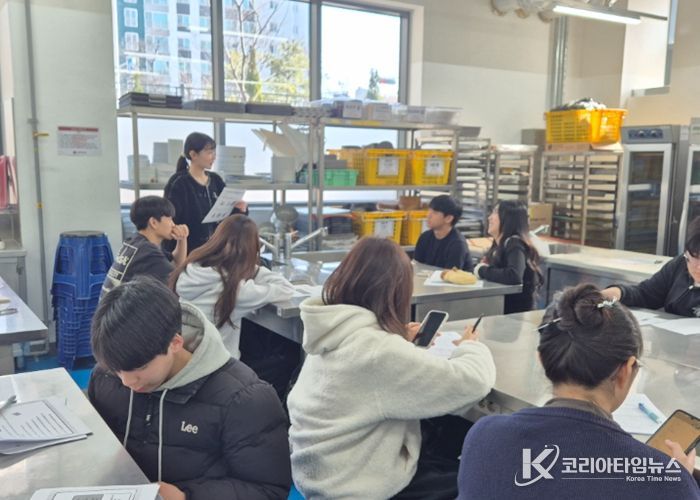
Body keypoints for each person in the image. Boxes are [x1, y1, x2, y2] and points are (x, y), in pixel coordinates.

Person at [287, 237, 496, 500]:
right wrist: (470, 346)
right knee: (478, 477)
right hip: (355, 486)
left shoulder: (332, 329)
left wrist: (396, 338)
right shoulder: (379, 350)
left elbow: (367, 372)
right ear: (395, 292)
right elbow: (472, 381)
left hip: (317, 472)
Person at [457, 284, 700, 500]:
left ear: (541, 360)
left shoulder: (484, 436)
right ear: (626, 370)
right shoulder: (665, 482)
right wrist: (676, 478)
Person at [88, 277, 292, 500]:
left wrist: (186, 497)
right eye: (117, 369)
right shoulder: (106, 377)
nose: (127, 381)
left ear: (175, 343)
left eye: (141, 367)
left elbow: (268, 490)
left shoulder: (245, 400)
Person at [172, 215, 297, 396]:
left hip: (189, 364)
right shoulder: (234, 289)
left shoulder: (191, 269)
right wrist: (252, 266)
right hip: (220, 371)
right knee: (287, 357)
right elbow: (286, 288)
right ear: (251, 249)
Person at [163, 132, 247, 254]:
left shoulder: (216, 180)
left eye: (214, 152)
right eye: (209, 153)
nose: (214, 157)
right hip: (187, 251)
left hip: (215, 250)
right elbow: (169, 218)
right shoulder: (179, 182)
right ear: (193, 154)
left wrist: (239, 209)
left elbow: (226, 217)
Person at [601, 216, 700, 317]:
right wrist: (618, 293)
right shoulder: (679, 266)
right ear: (686, 252)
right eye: (695, 257)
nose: (698, 267)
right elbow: (645, 294)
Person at [101, 196, 188, 296]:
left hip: (112, 304)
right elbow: (178, 279)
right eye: (170, 219)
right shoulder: (147, 252)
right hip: (122, 305)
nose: (173, 225)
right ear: (153, 222)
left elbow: (176, 262)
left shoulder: (135, 242)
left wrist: (182, 239)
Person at [474, 200, 543, 313]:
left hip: (514, 314)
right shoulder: (498, 244)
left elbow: (514, 276)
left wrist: (482, 270)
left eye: (495, 213)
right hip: (498, 308)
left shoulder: (514, 243)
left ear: (509, 218)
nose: (489, 218)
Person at [413, 195, 472, 271]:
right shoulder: (424, 237)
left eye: (435, 212)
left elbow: (450, 275)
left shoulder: (457, 244)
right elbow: (417, 265)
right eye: (429, 210)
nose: (428, 215)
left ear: (448, 218)